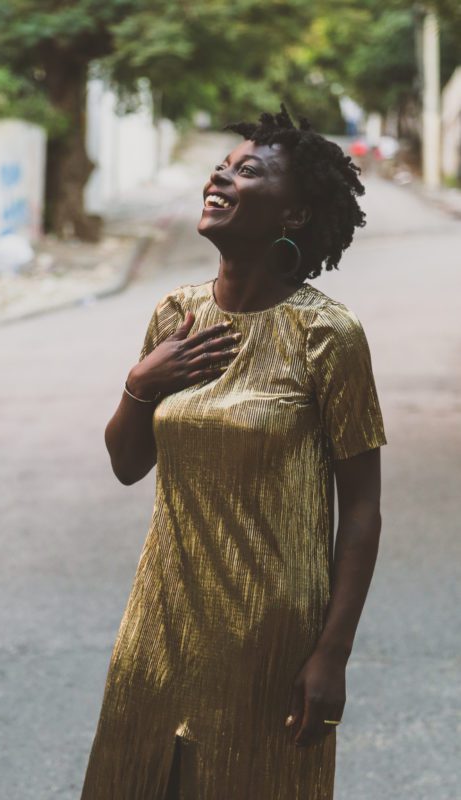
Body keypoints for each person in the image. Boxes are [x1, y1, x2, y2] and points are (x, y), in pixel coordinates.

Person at [80, 102, 388, 800]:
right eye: (220, 167)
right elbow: (128, 466)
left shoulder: (326, 335)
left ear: (294, 216)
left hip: (267, 638)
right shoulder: (173, 316)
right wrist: (139, 384)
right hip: (157, 623)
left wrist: (331, 656)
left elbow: (362, 512)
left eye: (246, 171)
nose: (218, 178)